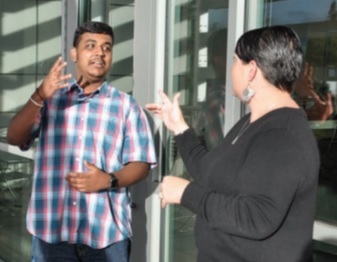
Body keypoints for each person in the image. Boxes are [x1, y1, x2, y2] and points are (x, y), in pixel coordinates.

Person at [146, 26, 320, 262]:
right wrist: (178, 127)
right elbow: (211, 173)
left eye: (235, 60)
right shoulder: (252, 122)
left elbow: (256, 217)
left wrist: (186, 193)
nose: (231, 69)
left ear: (251, 70)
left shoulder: (283, 136)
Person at [7, 21, 156, 262]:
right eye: (91, 45)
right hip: (52, 238)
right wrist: (39, 95)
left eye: (107, 47)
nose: (100, 52)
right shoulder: (51, 100)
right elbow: (14, 137)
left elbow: (140, 164)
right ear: (74, 54)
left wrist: (108, 180)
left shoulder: (126, 106)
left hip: (106, 238)